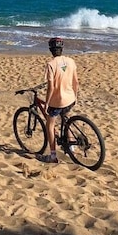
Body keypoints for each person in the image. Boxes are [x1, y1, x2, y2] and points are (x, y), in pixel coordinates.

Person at [41, 36, 79, 164]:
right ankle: (71, 148)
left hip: (58, 101)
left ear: (50, 50)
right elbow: (76, 82)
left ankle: (52, 156)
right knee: (65, 119)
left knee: (50, 125)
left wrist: (47, 103)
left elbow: (51, 87)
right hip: (70, 98)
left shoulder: (51, 65)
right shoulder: (71, 61)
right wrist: (76, 96)